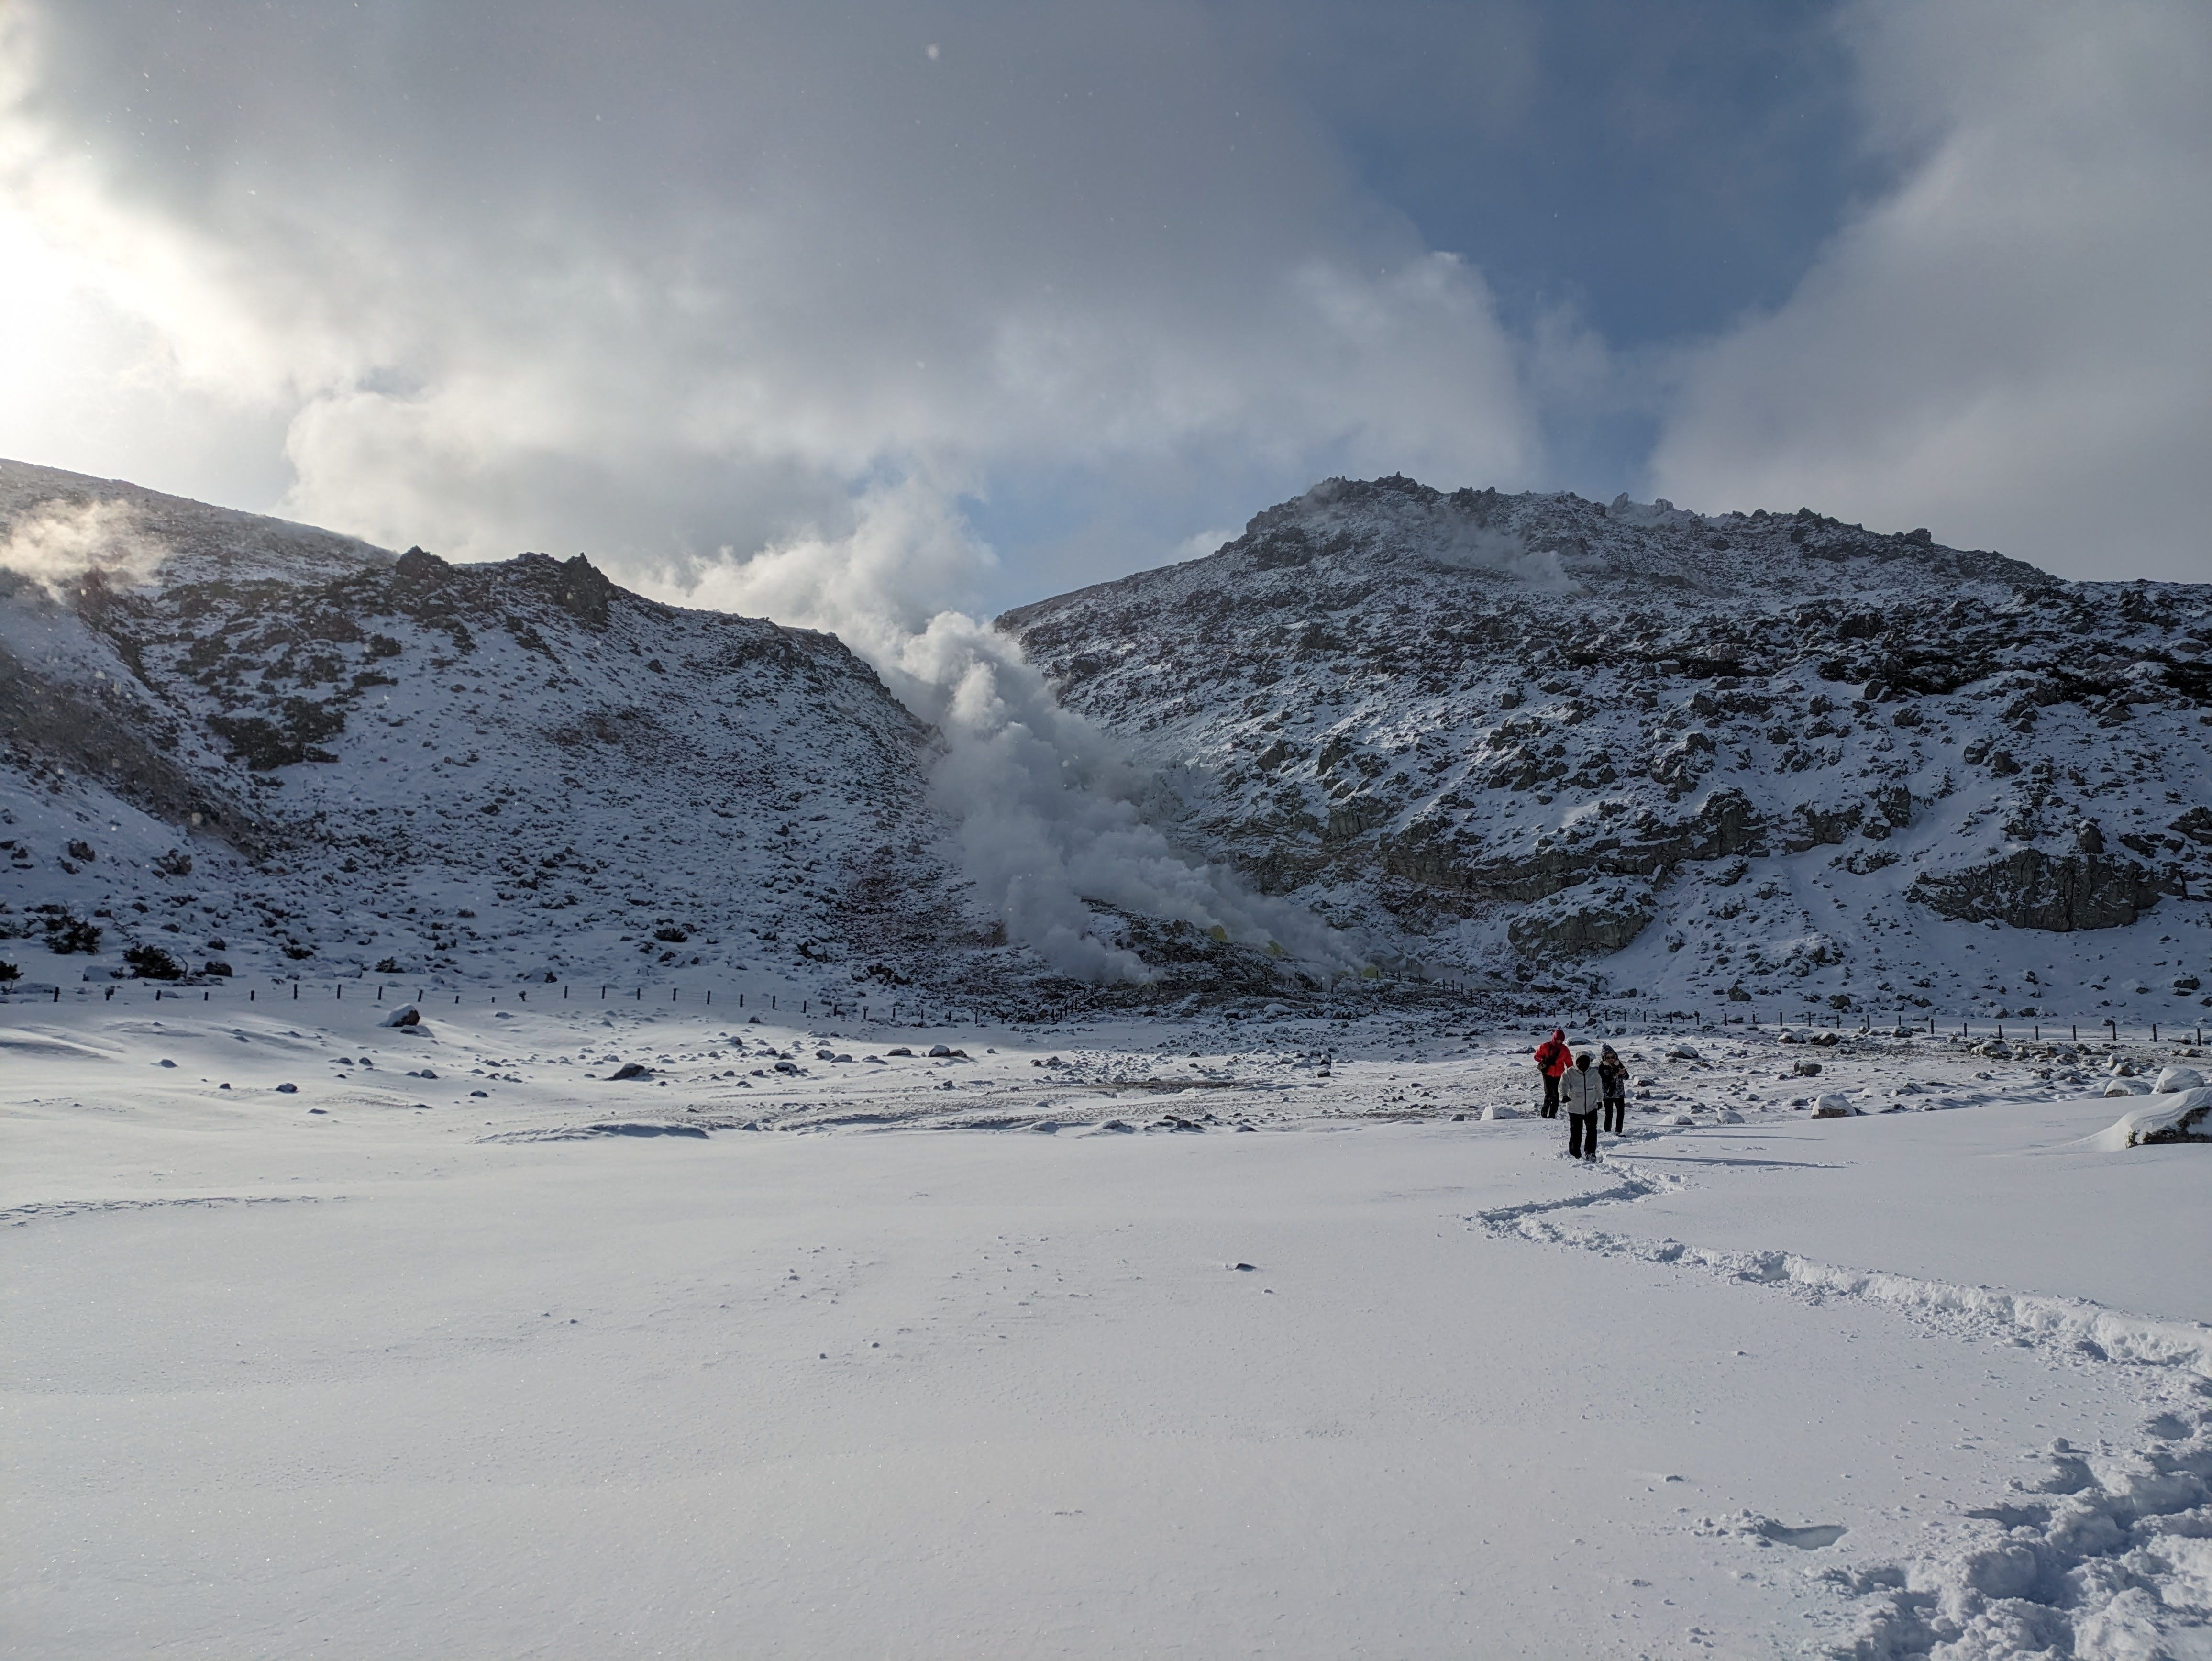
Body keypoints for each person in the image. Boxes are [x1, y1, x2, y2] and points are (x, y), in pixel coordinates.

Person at [1562, 1049, 1602, 1161]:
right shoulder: (1569, 1073)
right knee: (1576, 1132)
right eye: (1581, 1061)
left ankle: (1590, 1152)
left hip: (1591, 1107)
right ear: (1576, 1062)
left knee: (1592, 1131)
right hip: (1575, 1108)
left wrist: (1600, 1100)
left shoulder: (1594, 1073)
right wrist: (1564, 1095)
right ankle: (1575, 1154)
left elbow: (1599, 1087)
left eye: (1586, 1061)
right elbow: (1563, 1085)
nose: (1584, 1064)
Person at [1532, 1029, 1571, 1118]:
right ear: (1554, 1038)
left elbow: (1569, 1063)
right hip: (1547, 1074)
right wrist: (1544, 1059)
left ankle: (1552, 1115)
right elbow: (1536, 1056)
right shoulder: (1545, 1047)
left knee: (1556, 1096)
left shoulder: (1565, 1050)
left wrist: (1571, 1073)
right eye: (1558, 1039)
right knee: (1549, 1094)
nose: (1560, 1041)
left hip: (1559, 1075)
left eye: (1562, 1040)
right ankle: (1544, 1112)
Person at [1598, 1045, 1628, 1137]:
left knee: (1621, 1112)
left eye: (1612, 1057)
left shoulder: (1619, 1064)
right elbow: (1602, 1079)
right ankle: (1607, 1131)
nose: (1611, 1059)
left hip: (1619, 1093)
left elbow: (1627, 1077)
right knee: (1609, 1113)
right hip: (1608, 1094)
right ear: (1604, 1058)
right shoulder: (1602, 1067)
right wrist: (1615, 1075)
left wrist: (1623, 1073)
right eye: (1608, 1058)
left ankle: (1619, 1130)